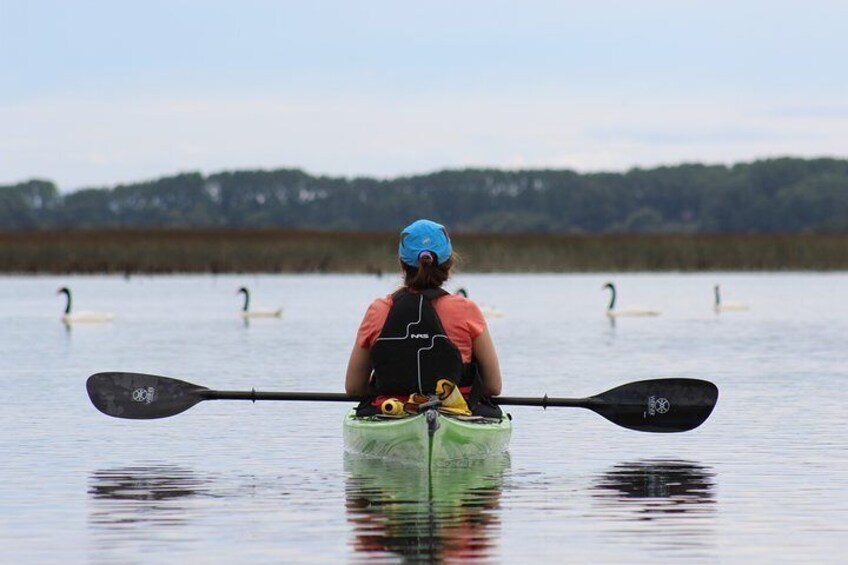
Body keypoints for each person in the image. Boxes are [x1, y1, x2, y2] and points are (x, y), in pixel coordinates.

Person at [345, 219, 502, 416]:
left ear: (403, 264)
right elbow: (493, 387)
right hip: (455, 411)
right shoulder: (467, 310)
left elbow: (354, 388)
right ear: (448, 263)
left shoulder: (378, 310)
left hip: (392, 411)